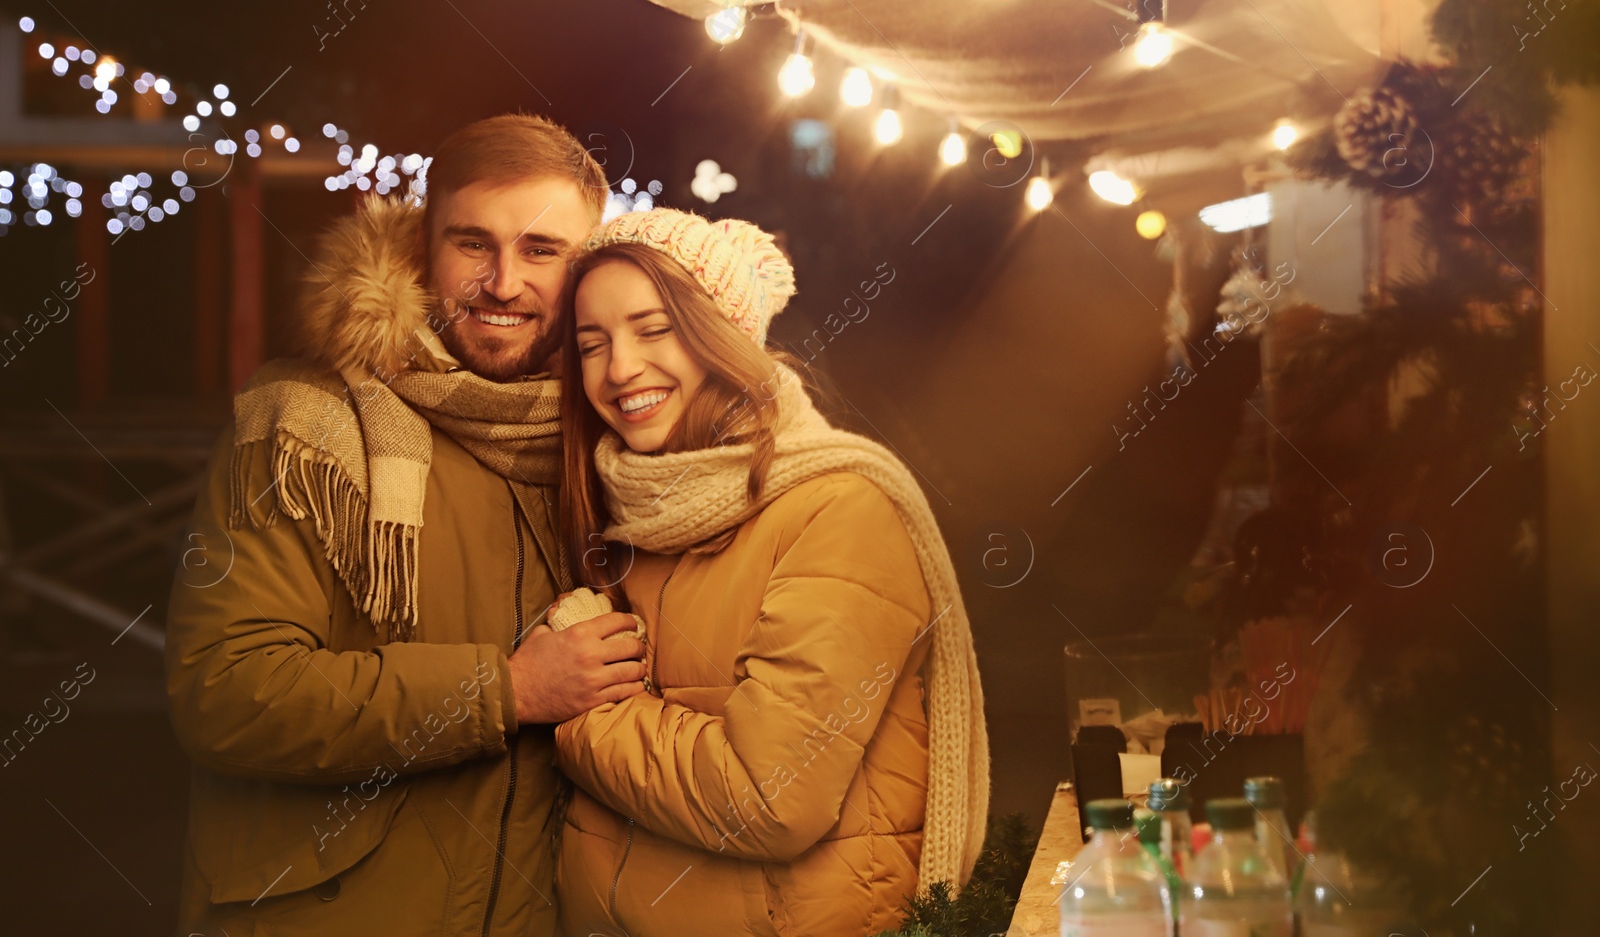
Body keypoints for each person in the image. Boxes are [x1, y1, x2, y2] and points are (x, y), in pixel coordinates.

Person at [164, 113, 647, 935]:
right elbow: (226, 693)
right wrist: (507, 689)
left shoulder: (603, 440)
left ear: (585, 265)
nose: (502, 282)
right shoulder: (306, 425)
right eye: (473, 243)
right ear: (425, 245)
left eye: (540, 251)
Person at [549, 208, 990, 937]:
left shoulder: (838, 507)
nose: (620, 368)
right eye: (593, 343)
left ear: (720, 337)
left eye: (654, 329)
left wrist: (579, 704)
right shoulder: (630, 507)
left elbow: (769, 796)